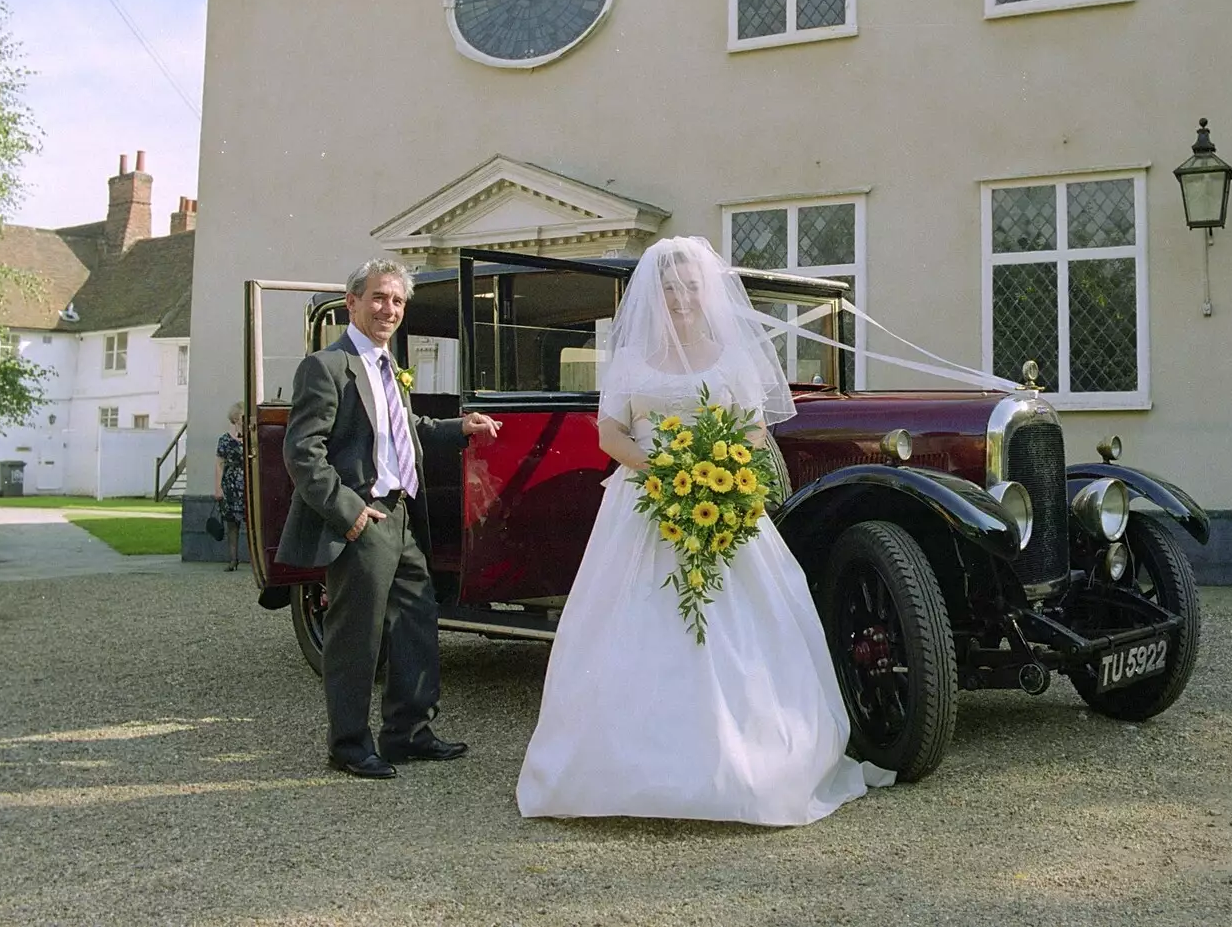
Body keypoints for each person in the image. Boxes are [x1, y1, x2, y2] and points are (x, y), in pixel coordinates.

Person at [516, 236, 892, 825]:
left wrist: (717, 480)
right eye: (669, 288)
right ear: (654, 295)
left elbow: (750, 432)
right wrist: (662, 470)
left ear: (707, 291)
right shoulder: (633, 359)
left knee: (738, 624)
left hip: (722, 499)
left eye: (690, 286)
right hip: (642, 505)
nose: (681, 297)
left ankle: (750, 760)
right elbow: (610, 435)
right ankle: (623, 768)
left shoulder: (729, 355)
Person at [278, 257, 501, 780]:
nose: (389, 309)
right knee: (357, 638)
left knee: (417, 625)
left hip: (403, 517)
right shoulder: (327, 367)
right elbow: (302, 453)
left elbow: (406, 428)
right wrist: (350, 514)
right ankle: (349, 746)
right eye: (379, 297)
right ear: (352, 301)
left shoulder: (386, 365)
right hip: (364, 518)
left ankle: (409, 734)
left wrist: (459, 427)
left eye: (398, 301)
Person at [214, 402, 247, 571]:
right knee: (232, 524)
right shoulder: (225, 440)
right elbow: (219, 464)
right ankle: (233, 560)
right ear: (236, 418)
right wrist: (218, 488)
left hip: (249, 485)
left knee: (252, 524)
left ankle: (256, 560)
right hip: (231, 484)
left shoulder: (251, 437)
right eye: (243, 416)